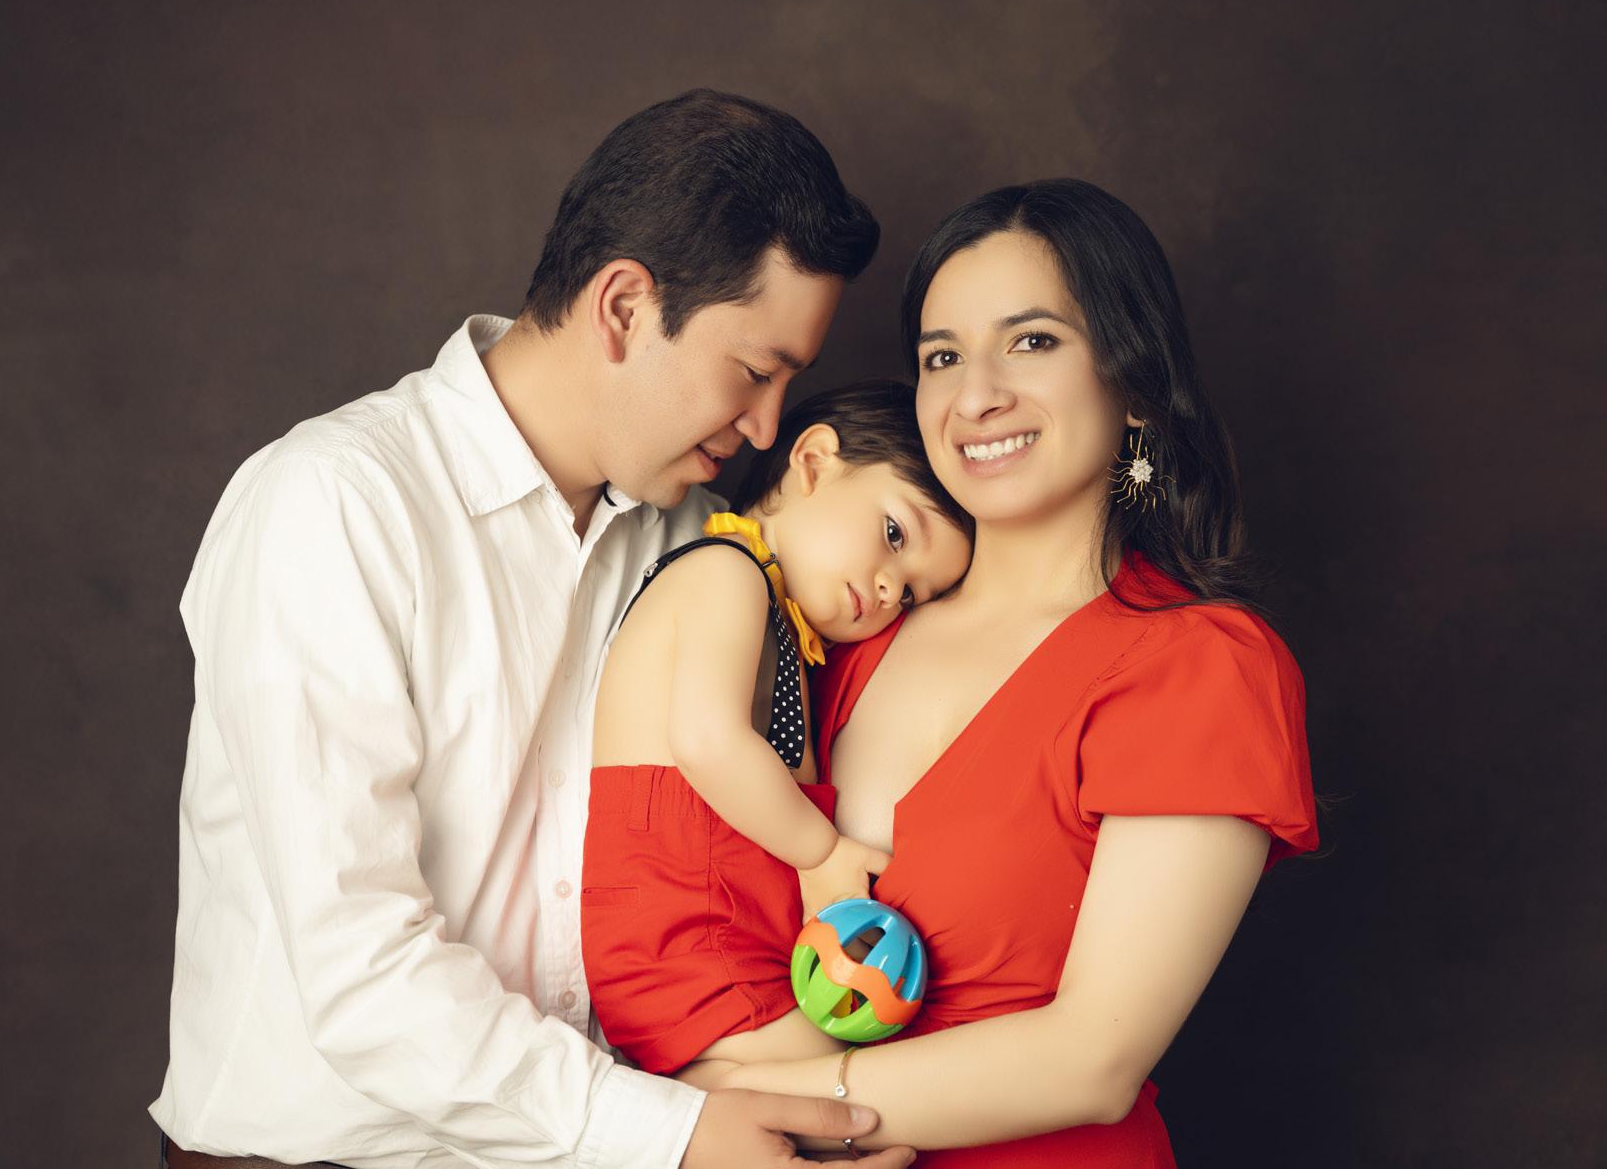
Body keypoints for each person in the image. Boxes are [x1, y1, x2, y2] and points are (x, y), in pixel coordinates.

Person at [149, 89, 918, 1169]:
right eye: (753, 373)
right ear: (623, 306)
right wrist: (669, 1135)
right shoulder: (331, 505)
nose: (763, 427)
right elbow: (360, 967)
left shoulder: (703, 545)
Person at [711, 179, 1320, 1166]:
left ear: (1132, 383)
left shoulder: (1201, 665)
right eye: (941, 356)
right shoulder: (845, 631)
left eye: (1031, 341)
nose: (975, 395)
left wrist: (709, 1112)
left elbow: (1091, 1060)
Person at [582, 383, 973, 1081]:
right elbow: (708, 742)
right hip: (683, 941)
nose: (892, 589)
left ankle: (712, 1091)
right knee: (869, 1092)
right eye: (894, 535)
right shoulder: (725, 572)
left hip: (730, 943)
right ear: (813, 463)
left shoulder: (785, 630)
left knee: (842, 1090)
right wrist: (823, 853)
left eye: (914, 593)